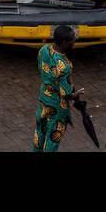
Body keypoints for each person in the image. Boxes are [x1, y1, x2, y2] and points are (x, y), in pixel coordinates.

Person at [32, 24, 80, 152]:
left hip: (44, 97)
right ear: (64, 42)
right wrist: (75, 95)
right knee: (52, 139)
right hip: (57, 106)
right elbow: (66, 93)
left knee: (40, 133)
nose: (74, 42)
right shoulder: (64, 66)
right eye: (72, 40)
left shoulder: (44, 49)